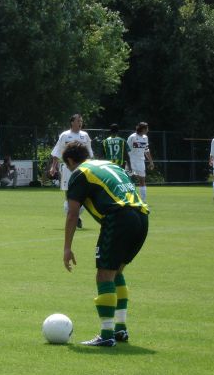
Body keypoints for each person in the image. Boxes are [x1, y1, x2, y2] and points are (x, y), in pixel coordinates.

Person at [61, 141, 149, 347]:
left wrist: (67, 247)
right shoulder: (110, 165)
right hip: (142, 217)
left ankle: (106, 334)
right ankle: (120, 330)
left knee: (104, 275)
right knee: (117, 272)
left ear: (71, 161)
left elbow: (73, 214)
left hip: (118, 218)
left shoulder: (79, 173)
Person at [49, 114, 94, 228]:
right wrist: (53, 167)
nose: (80, 123)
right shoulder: (65, 135)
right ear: (72, 122)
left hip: (83, 168)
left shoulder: (85, 135)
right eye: (78, 121)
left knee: (84, 193)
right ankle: (74, 217)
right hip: (68, 168)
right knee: (68, 194)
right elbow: (57, 152)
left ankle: (75, 216)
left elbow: (90, 153)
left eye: (81, 121)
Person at [126, 122, 154, 202]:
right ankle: (130, 199)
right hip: (131, 161)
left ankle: (143, 200)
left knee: (142, 180)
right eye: (147, 128)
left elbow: (146, 150)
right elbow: (126, 149)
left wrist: (151, 162)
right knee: (130, 180)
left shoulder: (145, 137)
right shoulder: (132, 137)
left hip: (141, 161)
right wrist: (127, 162)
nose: (148, 130)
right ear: (143, 129)